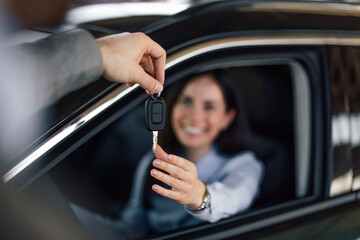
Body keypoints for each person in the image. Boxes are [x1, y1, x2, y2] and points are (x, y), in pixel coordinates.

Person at [71, 70, 264, 239]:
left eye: (209, 106)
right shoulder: (153, 162)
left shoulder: (245, 166)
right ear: (172, 107)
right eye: (186, 101)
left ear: (227, 118)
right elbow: (130, 232)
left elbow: (233, 198)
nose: (194, 116)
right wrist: (63, 212)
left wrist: (197, 194)